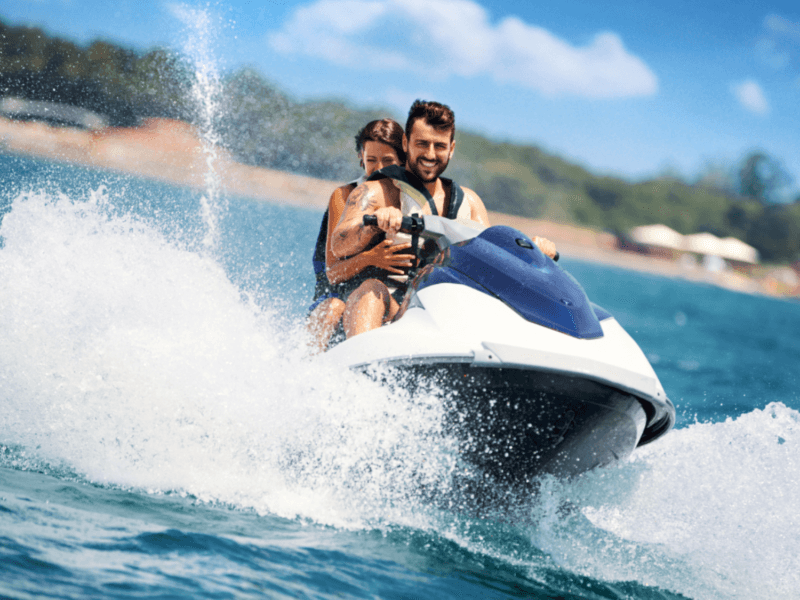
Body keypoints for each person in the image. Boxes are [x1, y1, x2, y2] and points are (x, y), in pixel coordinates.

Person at [331, 99, 557, 338]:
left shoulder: (469, 203)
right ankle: (359, 366)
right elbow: (339, 244)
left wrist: (533, 253)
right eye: (422, 144)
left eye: (439, 146)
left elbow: (494, 260)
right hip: (392, 309)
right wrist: (373, 222)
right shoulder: (376, 191)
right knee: (371, 291)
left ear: (451, 148)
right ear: (406, 143)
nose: (430, 154)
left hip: (445, 315)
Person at [306, 118, 414, 352]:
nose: (378, 169)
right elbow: (332, 274)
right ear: (360, 158)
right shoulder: (344, 196)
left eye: (388, 161)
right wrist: (371, 258)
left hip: (385, 301)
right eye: (371, 161)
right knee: (334, 307)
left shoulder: (413, 201)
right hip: (337, 297)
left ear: (403, 160)